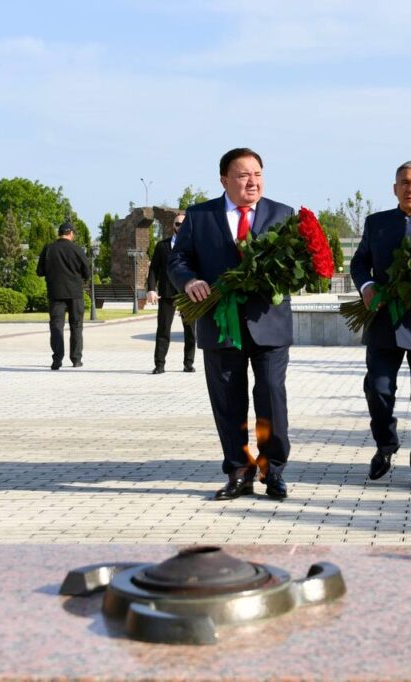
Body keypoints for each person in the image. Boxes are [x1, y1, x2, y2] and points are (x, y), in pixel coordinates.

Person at [168, 147, 295, 501]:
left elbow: (295, 264)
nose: (252, 181)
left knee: (271, 396)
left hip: (269, 324)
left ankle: (273, 470)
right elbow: (178, 258)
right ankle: (239, 470)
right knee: (228, 401)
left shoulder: (283, 214)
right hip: (220, 324)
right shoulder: (200, 215)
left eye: (257, 174)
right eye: (243, 175)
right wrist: (189, 281)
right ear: (224, 180)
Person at [351, 161, 411, 494]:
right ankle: (386, 444)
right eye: (405, 182)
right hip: (383, 322)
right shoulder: (376, 223)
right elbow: (360, 261)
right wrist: (366, 287)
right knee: (378, 389)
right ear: (394, 188)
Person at [36, 222, 91, 370]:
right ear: (71, 233)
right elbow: (87, 272)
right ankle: (76, 359)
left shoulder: (48, 249)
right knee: (76, 325)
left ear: (59, 233)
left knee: (56, 326)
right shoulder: (77, 249)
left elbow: (39, 271)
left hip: (55, 293)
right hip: (75, 293)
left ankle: (57, 359)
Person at [147, 212, 196, 374]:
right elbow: (154, 269)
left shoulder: (193, 245)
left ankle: (188, 363)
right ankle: (159, 364)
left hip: (187, 294)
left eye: (183, 224)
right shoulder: (162, 246)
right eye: (177, 224)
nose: (180, 227)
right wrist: (151, 290)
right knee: (163, 329)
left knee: (190, 330)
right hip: (167, 294)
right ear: (173, 226)